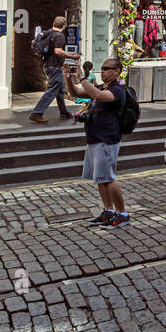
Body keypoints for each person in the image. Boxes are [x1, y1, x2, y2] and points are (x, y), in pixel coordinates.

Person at [63, 57, 129, 229]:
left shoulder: (118, 89)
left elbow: (99, 96)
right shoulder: (101, 86)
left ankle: (122, 213)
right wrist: (68, 78)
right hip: (94, 138)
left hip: (107, 138)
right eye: (103, 67)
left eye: (107, 68)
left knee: (108, 178)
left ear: (117, 71)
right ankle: (108, 210)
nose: (104, 71)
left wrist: (83, 79)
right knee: (100, 178)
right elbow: (75, 93)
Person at [30, 17, 78, 124]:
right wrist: (72, 56)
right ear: (64, 26)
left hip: (47, 64)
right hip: (55, 65)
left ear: (53, 23)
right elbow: (57, 51)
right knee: (52, 89)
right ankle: (37, 113)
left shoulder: (49, 33)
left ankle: (64, 112)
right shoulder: (59, 36)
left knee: (60, 89)